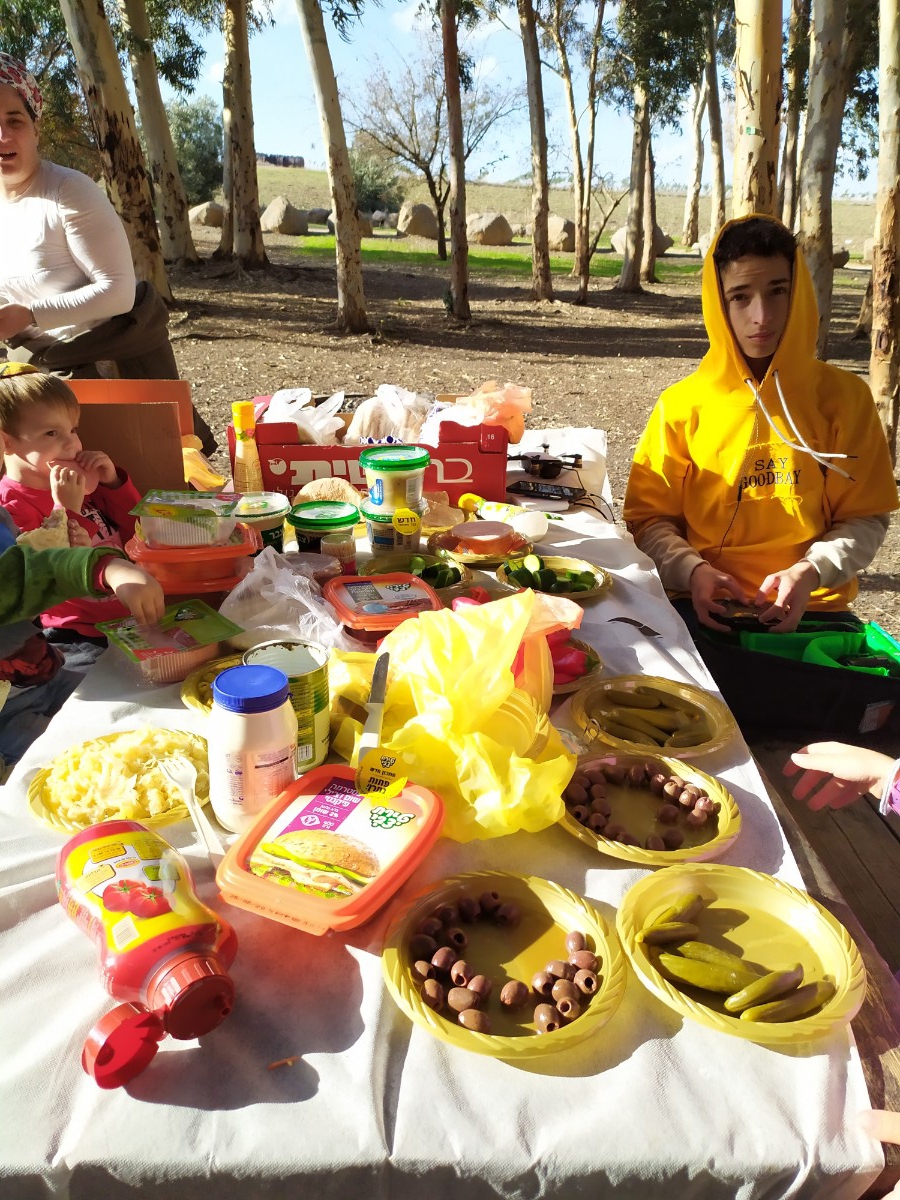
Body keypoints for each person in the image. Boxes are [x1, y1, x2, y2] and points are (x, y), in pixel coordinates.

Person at [623, 214, 899, 636]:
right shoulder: (681, 405)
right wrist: (692, 571)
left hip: (817, 610)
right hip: (699, 606)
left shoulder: (845, 399)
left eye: (777, 292)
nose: (762, 316)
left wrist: (810, 572)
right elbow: (649, 521)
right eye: (740, 296)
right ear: (719, 303)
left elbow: (865, 519)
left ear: (800, 293)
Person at [0, 53, 215, 454]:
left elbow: (118, 293)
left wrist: (28, 315)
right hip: (43, 370)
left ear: (35, 128)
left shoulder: (68, 191)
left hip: (111, 363)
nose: (2, 135)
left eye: (14, 120)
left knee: (134, 490)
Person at [0, 366, 146, 672]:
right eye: (51, 433)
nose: (72, 445)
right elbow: (48, 570)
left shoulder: (78, 479)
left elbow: (138, 529)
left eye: (73, 430)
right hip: (77, 632)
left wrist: (114, 484)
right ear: (7, 442)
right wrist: (65, 508)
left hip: (128, 612)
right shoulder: (12, 504)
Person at [0, 508, 164, 775]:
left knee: (125, 722)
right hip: (9, 714)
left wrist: (105, 567)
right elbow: (18, 579)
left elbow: (25, 568)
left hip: (47, 674)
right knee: (72, 765)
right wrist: (102, 567)